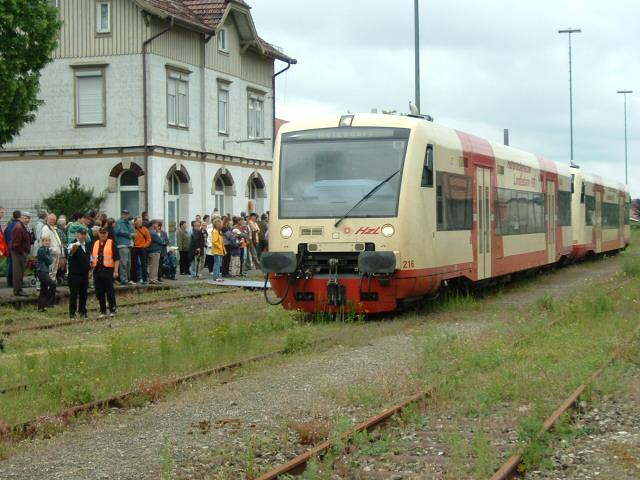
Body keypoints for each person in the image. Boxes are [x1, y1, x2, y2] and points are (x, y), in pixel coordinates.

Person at [90, 227, 119, 318]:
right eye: (101, 233)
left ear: (107, 234)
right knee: (99, 292)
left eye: (104, 233)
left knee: (110, 291)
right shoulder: (95, 243)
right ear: (98, 234)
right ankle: (103, 310)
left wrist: (115, 271)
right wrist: (91, 270)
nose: (102, 235)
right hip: (97, 270)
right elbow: (92, 258)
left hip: (108, 270)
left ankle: (112, 309)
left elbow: (117, 258)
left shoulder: (111, 243)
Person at [67, 227, 91, 319]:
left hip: (84, 273)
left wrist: (90, 270)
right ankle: (72, 313)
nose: (83, 236)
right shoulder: (73, 244)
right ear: (77, 234)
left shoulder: (87, 245)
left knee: (84, 294)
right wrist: (75, 248)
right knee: (74, 294)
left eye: (84, 234)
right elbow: (71, 252)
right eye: (81, 234)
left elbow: (89, 258)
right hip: (74, 274)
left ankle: (82, 311)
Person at [11, 211, 32, 297]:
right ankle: (17, 291)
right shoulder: (19, 227)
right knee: (18, 272)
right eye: (24, 218)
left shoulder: (23, 227)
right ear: (20, 218)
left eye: (28, 218)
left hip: (21, 252)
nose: (26, 219)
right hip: (18, 252)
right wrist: (22, 253)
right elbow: (15, 244)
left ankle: (19, 289)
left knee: (21, 272)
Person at [114, 209, 135, 285]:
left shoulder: (129, 223)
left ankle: (127, 279)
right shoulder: (118, 222)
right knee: (124, 263)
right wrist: (129, 234)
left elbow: (133, 231)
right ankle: (124, 279)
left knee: (128, 263)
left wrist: (130, 233)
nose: (126, 215)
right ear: (122, 214)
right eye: (124, 214)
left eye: (127, 214)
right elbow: (118, 231)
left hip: (129, 244)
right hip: (122, 244)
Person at [41, 213, 64, 282]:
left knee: (54, 272)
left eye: (54, 220)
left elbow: (57, 241)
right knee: (50, 272)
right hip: (51, 254)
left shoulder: (53, 228)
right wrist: (53, 250)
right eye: (51, 219)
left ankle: (52, 287)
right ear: (47, 219)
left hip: (56, 254)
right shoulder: (46, 228)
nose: (52, 221)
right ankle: (49, 288)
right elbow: (45, 241)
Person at [36, 235, 57, 311]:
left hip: (45, 271)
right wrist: (50, 258)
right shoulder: (42, 250)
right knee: (52, 284)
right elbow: (49, 261)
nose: (47, 242)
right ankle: (49, 303)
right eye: (46, 241)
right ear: (42, 242)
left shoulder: (46, 250)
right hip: (42, 271)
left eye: (48, 241)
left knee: (43, 289)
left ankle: (41, 307)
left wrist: (49, 258)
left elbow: (49, 260)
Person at [4, 211, 21, 287]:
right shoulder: (18, 225)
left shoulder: (9, 225)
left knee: (9, 265)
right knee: (15, 266)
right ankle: (13, 283)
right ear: (19, 217)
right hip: (15, 248)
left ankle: (9, 282)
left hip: (8, 247)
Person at [132, 217, 151, 283]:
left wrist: (144, 246)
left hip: (142, 248)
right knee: (134, 264)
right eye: (139, 221)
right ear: (135, 222)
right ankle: (134, 279)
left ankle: (144, 279)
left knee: (144, 264)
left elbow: (149, 239)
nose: (141, 222)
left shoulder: (145, 229)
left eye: (141, 221)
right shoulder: (132, 229)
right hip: (134, 247)